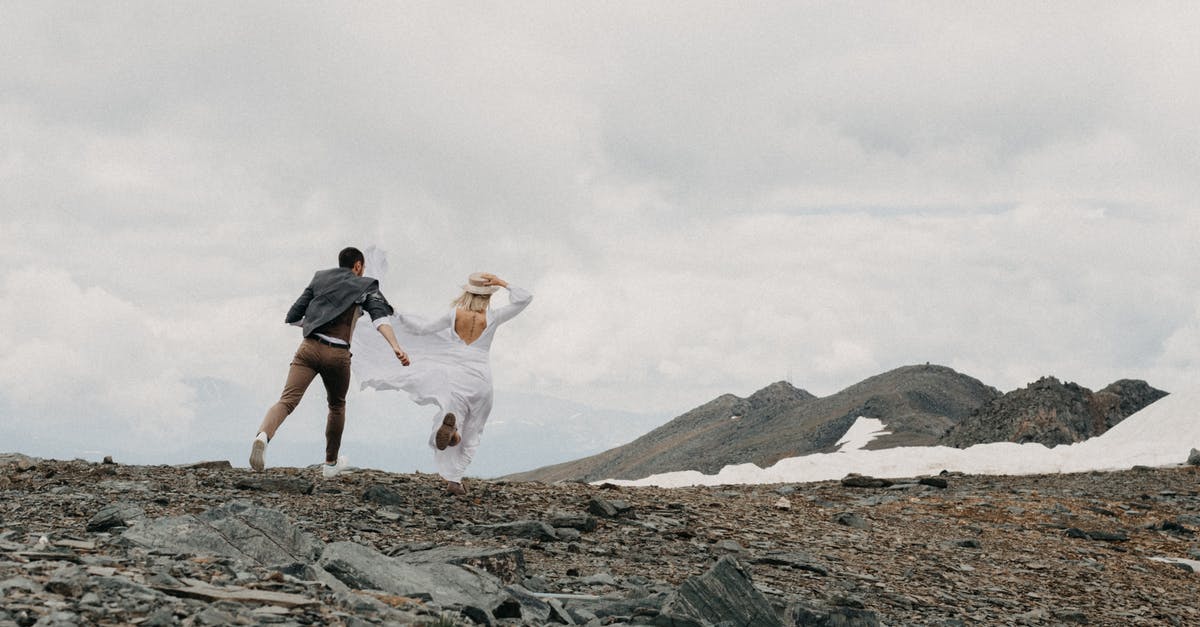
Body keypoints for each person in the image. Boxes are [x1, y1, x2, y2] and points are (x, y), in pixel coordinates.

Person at [351, 269, 532, 495]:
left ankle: (453, 441)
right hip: (481, 378)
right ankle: (455, 476)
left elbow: (421, 329)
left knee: (455, 416)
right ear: (488, 296)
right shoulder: (493, 317)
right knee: (475, 429)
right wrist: (502, 283)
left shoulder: (455, 314)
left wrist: (396, 313)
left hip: (456, 378)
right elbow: (525, 298)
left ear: (468, 292)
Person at [250, 247, 410, 478]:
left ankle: (263, 436)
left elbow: (293, 316)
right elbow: (379, 318)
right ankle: (330, 463)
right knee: (336, 406)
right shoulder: (366, 285)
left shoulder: (320, 278)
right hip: (337, 355)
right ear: (357, 266)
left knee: (287, 401)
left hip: (308, 348)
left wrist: (313, 325)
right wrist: (396, 346)